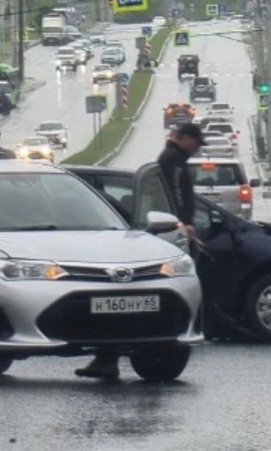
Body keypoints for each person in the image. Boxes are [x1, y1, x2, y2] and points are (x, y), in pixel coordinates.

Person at [74, 123, 206, 380]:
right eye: (196, 142)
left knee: (125, 304)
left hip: (165, 232)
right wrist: (184, 223)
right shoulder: (173, 161)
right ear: (185, 139)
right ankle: (114, 356)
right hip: (169, 235)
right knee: (126, 303)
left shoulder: (169, 160)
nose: (198, 148)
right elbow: (178, 195)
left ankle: (109, 358)